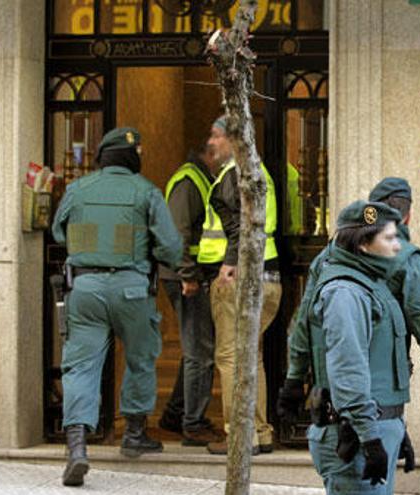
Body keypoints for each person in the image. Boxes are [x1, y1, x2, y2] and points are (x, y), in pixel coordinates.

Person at [279, 177, 420, 470]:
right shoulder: (406, 260)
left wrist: (293, 379)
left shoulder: (328, 258)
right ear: (407, 215)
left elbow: (304, 324)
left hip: (332, 408)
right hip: (370, 412)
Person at [51, 127, 182, 486]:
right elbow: (170, 248)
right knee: (140, 358)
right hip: (132, 289)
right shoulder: (146, 191)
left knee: (80, 365)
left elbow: (58, 232)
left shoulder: (78, 189)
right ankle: (134, 434)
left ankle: (77, 446)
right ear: (129, 156)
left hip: (86, 288)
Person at [303, 200, 408, 494]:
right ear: (363, 244)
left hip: (371, 428)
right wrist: (372, 438)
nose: (397, 246)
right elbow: (348, 370)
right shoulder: (346, 292)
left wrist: (394, 424)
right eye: (389, 238)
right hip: (355, 438)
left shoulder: (370, 285)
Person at [197, 116, 282, 454]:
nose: (211, 142)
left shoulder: (235, 175)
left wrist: (228, 265)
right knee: (251, 358)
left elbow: (240, 226)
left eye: (216, 136)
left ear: (234, 140)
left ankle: (239, 437)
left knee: (231, 357)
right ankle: (258, 432)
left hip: (240, 278)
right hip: (269, 275)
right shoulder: (260, 174)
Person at [157, 144, 223, 446]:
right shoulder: (189, 182)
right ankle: (193, 424)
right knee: (201, 352)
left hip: (190, 274)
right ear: (208, 154)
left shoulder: (202, 179)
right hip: (186, 276)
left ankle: (176, 412)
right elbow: (177, 232)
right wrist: (187, 274)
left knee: (195, 348)